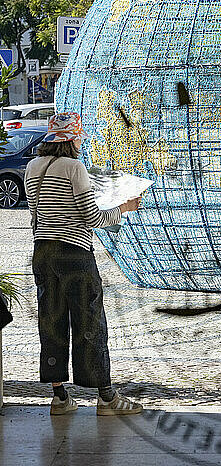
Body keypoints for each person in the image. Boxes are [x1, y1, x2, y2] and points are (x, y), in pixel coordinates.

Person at [25, 112, 143, 416]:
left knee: (51, 321)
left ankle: (60, 398)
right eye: (79, 137)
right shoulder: (74, 167)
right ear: (73, 139)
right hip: (74, 254)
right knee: (89, 321)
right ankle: (106, 398)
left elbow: (39, 212)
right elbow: (93, 218)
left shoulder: (32, 167)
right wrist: (124, 207)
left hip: (42, 251)